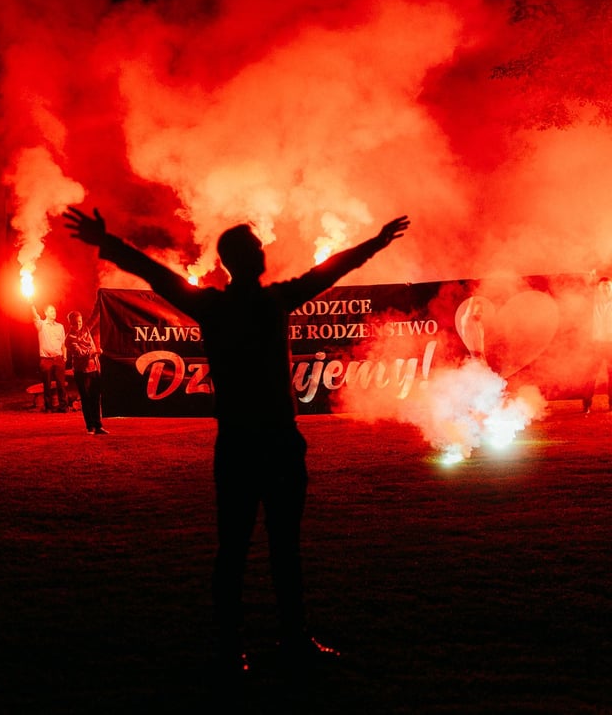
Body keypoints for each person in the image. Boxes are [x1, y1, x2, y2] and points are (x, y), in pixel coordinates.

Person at [63, 206, 410, 677]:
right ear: (247, 258)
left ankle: (235, 648)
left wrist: (108, 243)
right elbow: (331, 270)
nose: (263, 251)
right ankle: (288, 640)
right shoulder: (273, 301)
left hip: (240, 444)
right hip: (276, 441)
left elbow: (156, 274)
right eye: (256, 247)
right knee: (280, 548)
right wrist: (377, 241)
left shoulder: (215, 307)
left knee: (235, 550)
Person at [65, 310, 108, 434]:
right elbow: (80, 353)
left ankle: (98, 425)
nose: (78, 324)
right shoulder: (69, 338)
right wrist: (95, 351)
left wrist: (100, 301)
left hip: (94, 368)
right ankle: (90, 426)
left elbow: (95, 316)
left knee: (96, 397)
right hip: (82, 371)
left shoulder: (85, 329)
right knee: (86, 398)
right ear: (71, 323)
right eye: (75, 323)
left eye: (79, 321)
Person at [30, 302, 69, 413]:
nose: (54, 313)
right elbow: (35, 315)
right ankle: (49, 407)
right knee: (46, 384)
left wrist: (64, 357)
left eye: (54, 311)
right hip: (46, 360)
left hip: (58, 359)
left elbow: (63, 344)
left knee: (61, 384)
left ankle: (63, 407)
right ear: (46, 313)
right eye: (51, 311)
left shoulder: (60, 327)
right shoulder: (41, 325)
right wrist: (31, 304)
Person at [582, 276, 612, 414]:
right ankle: (587, 404)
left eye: (608, 286)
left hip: (610, 344)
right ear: (598, 289)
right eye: (603, 287)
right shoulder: (591, 302)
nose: (606, 289)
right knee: (590, 375)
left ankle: (611, 404)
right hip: (594, 344)